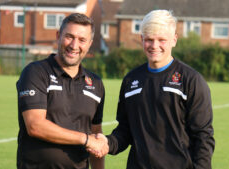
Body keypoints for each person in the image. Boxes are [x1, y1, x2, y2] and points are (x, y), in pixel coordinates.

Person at [93, 10, 215, 169]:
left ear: (174, 40)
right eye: (149, 39)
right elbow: (125, 130)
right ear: (142, 39)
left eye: (161, 40)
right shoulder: (131, 80)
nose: (154, 46)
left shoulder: (191, 80)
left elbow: (203, 138)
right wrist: (108, 143)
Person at [16, 13, 108, 169]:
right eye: (69, 37)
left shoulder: (96, 84)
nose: (74, 45)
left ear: (90, 44)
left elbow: (96, 138)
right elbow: (35, 126)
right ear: (58, 36)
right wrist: (84, 139)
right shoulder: (36, 72)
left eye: (82, 40)